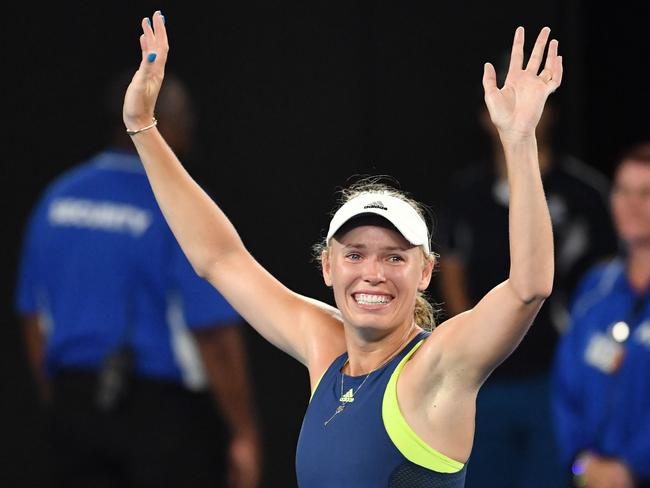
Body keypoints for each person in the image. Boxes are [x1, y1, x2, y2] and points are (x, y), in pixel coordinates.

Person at [123, 11, 561, 486]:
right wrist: (143, 126)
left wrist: (519, 141)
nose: (373, 272)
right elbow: (220, 259)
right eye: (355, 254)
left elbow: (528, 288)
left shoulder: (435, 368)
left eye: (395, 257)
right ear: (327, 266)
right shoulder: (325, 346)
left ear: (426, 272)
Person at [15, 70, 261, 487]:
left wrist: (60, 399)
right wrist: (243, 432)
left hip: (72, 412)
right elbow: (213, 334)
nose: (191, 125)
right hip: (159, 420)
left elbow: (32, 317)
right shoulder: (179, 205)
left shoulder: (58, 198)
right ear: (157, 120)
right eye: (184, 115)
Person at [436, 54, 617, 487]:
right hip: (486, 377)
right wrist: (474, 347)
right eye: (505, 99)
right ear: (485, 114)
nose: (518, 111)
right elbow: (453, 267)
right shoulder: (467, 194)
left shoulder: (586, 194)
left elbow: (604, 280)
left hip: (556, 375)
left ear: (549, 110)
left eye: (530, 101)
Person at [552, 141, 650, 488]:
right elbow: (566, 384)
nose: (630, 205)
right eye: (622, 191)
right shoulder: (596, 287)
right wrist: (581, 463)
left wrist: (632, 468)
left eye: (645, 193)